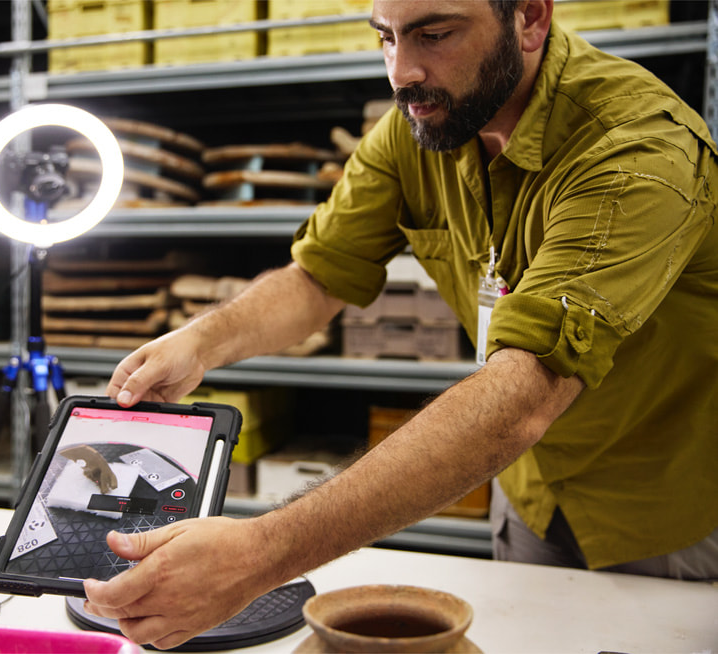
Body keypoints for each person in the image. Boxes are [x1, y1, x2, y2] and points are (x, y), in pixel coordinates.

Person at [83, 0, 718, 648]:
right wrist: (198, 342)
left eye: (433, 34)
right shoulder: (428, 122)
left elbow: (525, 393)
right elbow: (318, 275)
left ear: (529, 18)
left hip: (665, 510)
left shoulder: (637, 147)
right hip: (530, 494)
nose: (401, 70)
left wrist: (261, 552)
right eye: (385, 37)